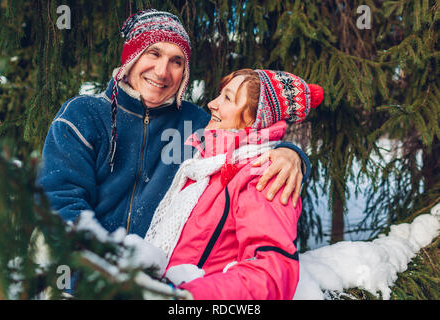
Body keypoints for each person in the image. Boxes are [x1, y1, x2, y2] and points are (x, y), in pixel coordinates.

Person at [37, 10, 311, 239]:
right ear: (131, 58)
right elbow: (60, 200)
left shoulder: (199, 124)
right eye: (153, 54)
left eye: (176, 61)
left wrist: (291, 153)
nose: (162, 71)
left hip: (162, 276)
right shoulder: (83, 115)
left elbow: (249, 141)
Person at [145, 69, 324, 300]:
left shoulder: (263, 176)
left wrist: (185, 298)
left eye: (227, 98)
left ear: (256, 118)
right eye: (220, 94)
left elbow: (271, 274)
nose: (211, 104)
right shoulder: (205, 165)